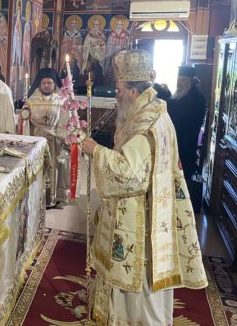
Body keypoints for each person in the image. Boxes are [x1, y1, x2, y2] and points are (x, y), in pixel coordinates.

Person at [82, 50, 207, 324]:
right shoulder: (152, 109)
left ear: (133, 91)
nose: (116, 95)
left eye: (119, 89)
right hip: (150, 210)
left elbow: (130, 174)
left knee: (138, 284)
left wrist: (95, 151)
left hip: (140, 220)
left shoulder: (145, 123)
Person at [25, 68, 69, 205]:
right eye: (43, 83)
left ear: (54, 84)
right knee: (38, 168)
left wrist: (62, 137)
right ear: (39, 84)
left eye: (49, 83)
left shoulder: (61, 100)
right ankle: (36, 197)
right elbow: (25, 121)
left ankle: (52, 198)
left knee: (53, 168)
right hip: (36, 139)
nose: (46, 85)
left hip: (54, 139)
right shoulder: (31, 100)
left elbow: (65, 120)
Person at [167, 65, 207, 213]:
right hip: (173, 142)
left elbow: (194, 124)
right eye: (178, 80)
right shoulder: (176, 96)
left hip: (186, 144)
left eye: (182, 80)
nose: (179, 83)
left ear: (190, 81)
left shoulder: (198, 99)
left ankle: (182, 207)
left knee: (183, 175)